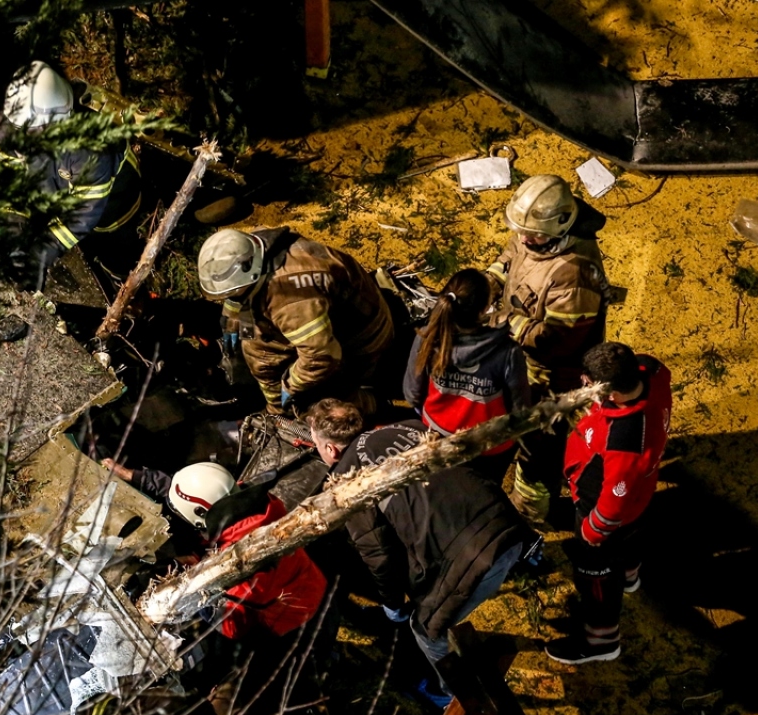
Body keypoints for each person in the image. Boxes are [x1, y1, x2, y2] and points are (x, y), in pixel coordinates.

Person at [304, 399, 537, 704]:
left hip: (477, 558)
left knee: (426, 631)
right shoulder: (408, 427)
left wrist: (391, 605)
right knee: (431, 597)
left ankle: (451, 695)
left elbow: (380, 556)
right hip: (507, 524)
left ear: (331, 449)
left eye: (317, 444)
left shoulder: (349, 482)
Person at [100, 458, 331, 715]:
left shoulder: (247, 571)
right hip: (308, 582)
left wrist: (187, 585)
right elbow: (193, 495)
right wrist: (138, 477)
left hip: (290, 618)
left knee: (253, 692)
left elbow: (231, 629)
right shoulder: (249, 500)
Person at [484, 175, 610, 524]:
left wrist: (501, 318)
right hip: (520, 362)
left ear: (562, 223)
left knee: (539, 447)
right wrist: (487, 282)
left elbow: (555, 341)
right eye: (520, 230)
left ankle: (531, 512)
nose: (525, 238)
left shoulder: (574, 273)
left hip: (553, 376)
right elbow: (509, 258)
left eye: (533, 234)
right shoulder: (535, 234)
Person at [545, 342, 672, 664]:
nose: (584, 386)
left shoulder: (624, 439)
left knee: (595, 573)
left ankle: (602, 639)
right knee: (631, 536)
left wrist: (593, 529)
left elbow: (616, 496)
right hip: (640, 499)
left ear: (611, 394)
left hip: (603, 508)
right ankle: (630, 574)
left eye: (589, 384)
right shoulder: (651, 370)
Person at [197, 226, 395, 417]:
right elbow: (239, 291)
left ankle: (374, 404)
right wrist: (231, 316)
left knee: (325, 405)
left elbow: (321, 356)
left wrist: (291, 385)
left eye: (232, 294)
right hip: (338, 313)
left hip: (362, 337)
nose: (230, 298)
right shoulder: (254, 246)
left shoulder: (290, 299)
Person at [0, 61, 143, 282]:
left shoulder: (91, 146)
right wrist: (15, 225)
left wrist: (47, 247)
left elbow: (86, 210)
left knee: (117, 251)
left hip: (114, 204)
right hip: (62, 191)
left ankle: (122, 281)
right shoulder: (8, 130)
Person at [403, 268, 530, 481]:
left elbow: (412, 394)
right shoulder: (507, 352)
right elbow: (521, 411)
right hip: (489, 448)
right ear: (484, 309)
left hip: (436, 438)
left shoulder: (428, 337)